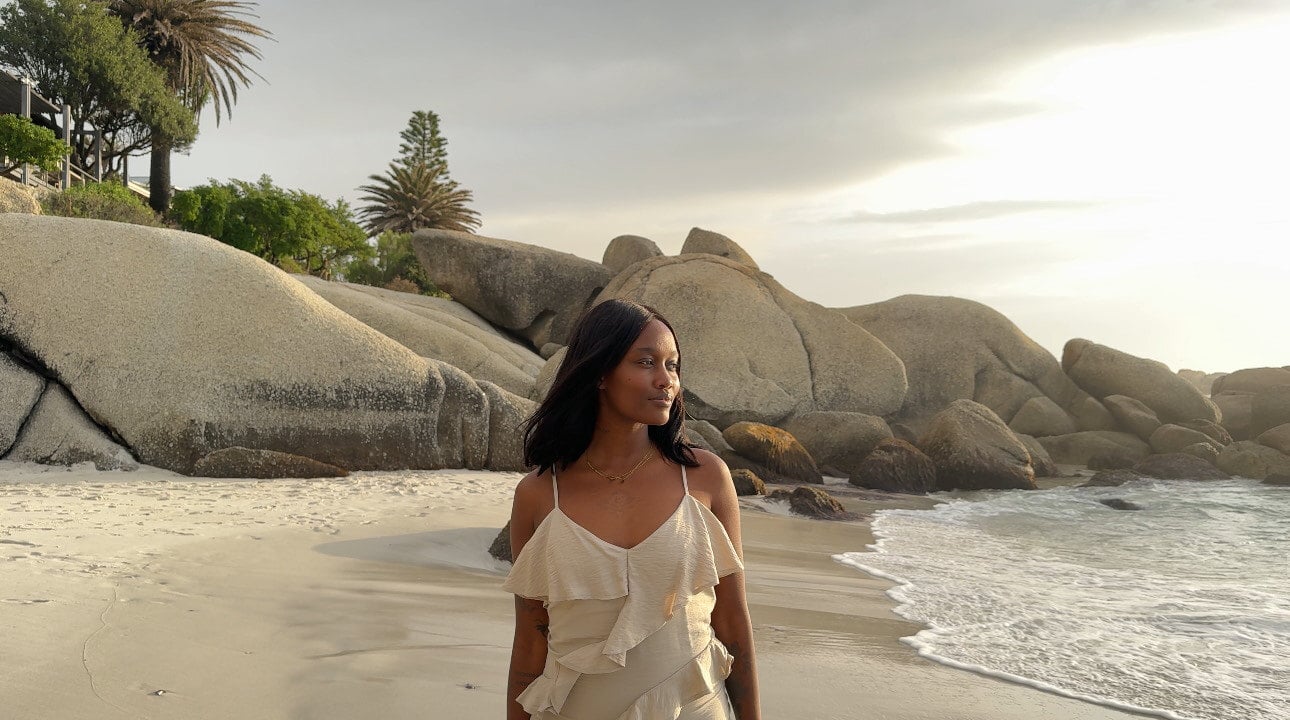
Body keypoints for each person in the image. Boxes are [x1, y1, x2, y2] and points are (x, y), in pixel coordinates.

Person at [504, 299, 761, 720]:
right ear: (600, 373)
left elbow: (733, 622)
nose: (667, 381)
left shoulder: (704, 477)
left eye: (672, 365)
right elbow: (531, 639)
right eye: (646, 362)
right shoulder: (538, 495)